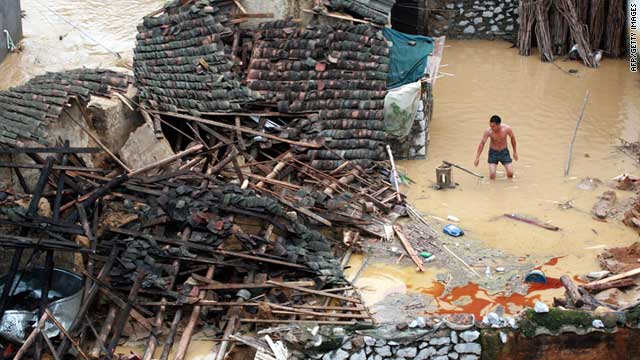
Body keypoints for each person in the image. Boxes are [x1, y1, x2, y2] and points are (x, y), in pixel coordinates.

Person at [473, 115, 518, 180]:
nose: (491, 128)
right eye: (490, 126)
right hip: (493, 153)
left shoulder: (507, 128)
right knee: (492, 175)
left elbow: (513, 138)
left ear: (499, 125)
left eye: (493, 126)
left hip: (504, 152)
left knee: (510, 173)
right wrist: (477, 157)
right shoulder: (488, 131)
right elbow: (482, 143)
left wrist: (515, 152)